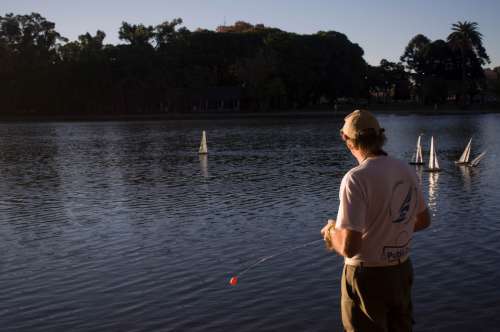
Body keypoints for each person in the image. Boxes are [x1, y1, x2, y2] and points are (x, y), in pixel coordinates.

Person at [321, 110, 431, 332]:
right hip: (401, 270)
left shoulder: (356, 178)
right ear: (381, 137)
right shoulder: (405, 169)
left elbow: (350, 247)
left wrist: (332, 234)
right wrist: (390, 231)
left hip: (366, 275)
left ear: (348, 141)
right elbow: (424, 220)